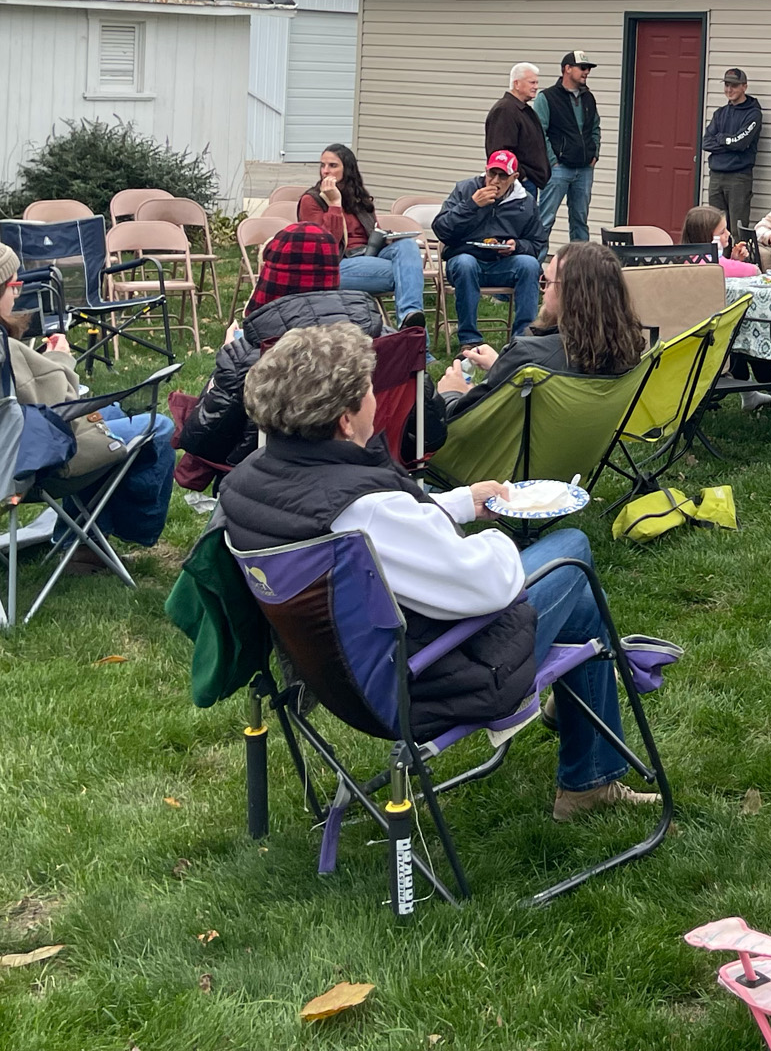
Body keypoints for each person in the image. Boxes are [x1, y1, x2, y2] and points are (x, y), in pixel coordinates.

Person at [219, 321, 658, 820]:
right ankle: (589, 768)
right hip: (420, 681)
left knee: (576, 609)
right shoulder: (367, 510)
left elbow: (392, 531)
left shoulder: (250, 484)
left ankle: (584, 723)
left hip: (331, 676)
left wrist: (463, 504)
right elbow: (486, 585)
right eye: (368, 390)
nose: (375, 401)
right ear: (345, 420)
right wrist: (503, 535)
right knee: (571, 553)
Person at [0, 233, 177, 538]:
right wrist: (59, 359)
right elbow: (60, 411)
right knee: (157, 427)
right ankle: (98, 538)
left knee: (115, 411)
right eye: (13, 286)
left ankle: (81, 539)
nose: (17, 295)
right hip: (26, 466)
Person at [179, 218, 387, 473]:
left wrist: (222, 371)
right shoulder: (386, 338)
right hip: (378, 471)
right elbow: (429, 432)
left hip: (272, 487)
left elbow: (200, 440)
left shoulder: (252, 351)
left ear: (271, 276)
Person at [430, 241, 651, 429]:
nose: (542, 289)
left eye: (547, 282)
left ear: (572, 294)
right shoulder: (627, 350)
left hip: (500, 467)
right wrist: (502, 366)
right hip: (575, 458)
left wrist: (454, 392)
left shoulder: (529, 354)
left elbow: (462, 419)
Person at [297, 143, 426, 329]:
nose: (325, 171)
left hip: (369, 256)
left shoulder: (357, 197)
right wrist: (334, 204)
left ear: (347, 169)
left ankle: (410, 317)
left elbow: (374, 231)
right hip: (337, 264)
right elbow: (325, 245)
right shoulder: (311, 200)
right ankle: (417, 338)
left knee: (407, 245)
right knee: (408, 273)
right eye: (322, 165)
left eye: (332, 166)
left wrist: (386, 238)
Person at [434, 151, 545, 342]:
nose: (495, 181)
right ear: (485, 171)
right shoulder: (465, 189)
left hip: (502, 264)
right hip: (464, 261)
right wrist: (471, 205)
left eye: (502, 176)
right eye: (491, 174)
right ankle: (469, 340)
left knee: (529, 264)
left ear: (514, 177)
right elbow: (441, 229)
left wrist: (516, 246)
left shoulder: (525, 202)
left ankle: (524, 340)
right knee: (465, 263)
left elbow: (537, 243)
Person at [534, 50, 603, 246]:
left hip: (584, 169)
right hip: (559, 169)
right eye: (583, 68)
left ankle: (581, 269)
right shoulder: (546, 97)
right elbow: (539, 132)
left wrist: (594, 154)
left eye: (588, 68)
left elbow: (595, 127)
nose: (586, 72)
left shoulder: (588, 97)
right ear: (567, 69)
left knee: (580, 222)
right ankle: (534, 268)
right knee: (545, 221)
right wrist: (552, 161)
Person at [699, 69, 763, 238]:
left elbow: (741, 143)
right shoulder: (719, 113)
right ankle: (720, 263)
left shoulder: (753, 114)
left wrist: (721, 139)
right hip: (716, 176)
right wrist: (729, 142)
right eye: (727, 85)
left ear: (744, 87)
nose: (729, 89)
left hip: (738, 178)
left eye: (734, 85)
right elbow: (706, 142)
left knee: (736, 230)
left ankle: (739, 263)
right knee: (715, 229)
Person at [484, 63, 553, 194]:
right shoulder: (505, 111)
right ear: (517, 84)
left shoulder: (523, 110)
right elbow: (500, 152)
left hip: (528, 182)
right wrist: (522, 177)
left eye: (536, 83)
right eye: (532, 82)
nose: (536, 87)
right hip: (518, 184)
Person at [680, 204, 759, 279]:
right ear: (705, 237)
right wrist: (755, 269)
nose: (728, 233)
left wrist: (735, 260)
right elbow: (724, 267)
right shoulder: (703, 260)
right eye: (722, 232)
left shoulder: (691, 257)